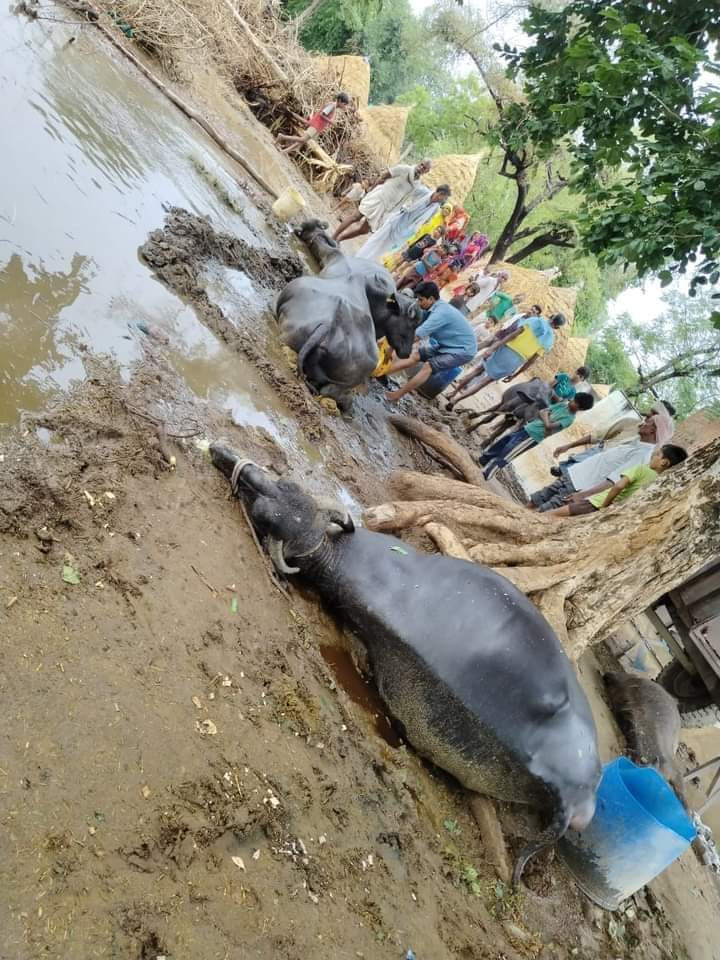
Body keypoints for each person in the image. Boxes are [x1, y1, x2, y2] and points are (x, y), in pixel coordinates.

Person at [528, 412, 672, 512]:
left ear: (654, 431)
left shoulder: (642, 455)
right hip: (575, 474)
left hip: (580, 486)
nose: (643, 422)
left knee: (544, 511)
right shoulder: (635, 442)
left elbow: (614, 481)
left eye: (648, 422)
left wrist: (584, 494)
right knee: (537, 499)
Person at [445, 312, 566, 411]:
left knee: (478, 370)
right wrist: (516, 374)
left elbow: (513, 335)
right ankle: (455, 401)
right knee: (485, 382)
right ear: (557, 327)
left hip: (506, 350)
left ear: (551, 316)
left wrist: (493, 347)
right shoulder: (549, 341)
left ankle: (453, 393)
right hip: (516, 361)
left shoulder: (534, 320)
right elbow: (532, 361)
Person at [382, 281, 477, 403]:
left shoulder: (440, 313)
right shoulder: (431, 308)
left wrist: (391, 349)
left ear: (431, 299)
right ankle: (382, 372)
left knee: (428, 366)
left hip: (463, 350)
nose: (418, 302)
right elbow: (411, 327)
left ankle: (396, 396)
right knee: (416, 356)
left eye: (421, 300)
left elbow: (415, 336)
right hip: (448, 345)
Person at [547, 444, 688, 517]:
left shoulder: (641, 469)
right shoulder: (657, 482)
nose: (653, 456)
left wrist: (604, 505)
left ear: (664, 463)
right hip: (610, 510)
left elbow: (619, 486)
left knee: (551, 515)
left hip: (597, 503)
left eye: (657, 455)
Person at [479, 392, 595, 480]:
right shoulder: (562, 405)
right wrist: (546, 419)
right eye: (573, 399)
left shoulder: (569, 419)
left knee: (508, 452)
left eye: (574, 402)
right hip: (528, 427)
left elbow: (549, 426)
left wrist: (546, 418)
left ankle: (488, 473)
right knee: (503, 442)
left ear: (580, 408)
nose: (571, 401)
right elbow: (542, 412)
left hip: (533, 437)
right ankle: (484, 459)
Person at [333, 160, 432, 243]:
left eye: (424, 168)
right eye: (421, 164)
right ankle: (334, 237)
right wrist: (372, 190)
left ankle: (340, 239)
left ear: (427, 171)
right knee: (355, 217)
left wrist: (390, 212)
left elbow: (404, 199)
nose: (421, 168)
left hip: (386, 207)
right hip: (379, 196)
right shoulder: (404, 169)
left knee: (364, 230)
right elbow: (384, 175)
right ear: (419, 163)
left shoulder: (416, 185)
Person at [357, 184, 452, 263]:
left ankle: (364, 262)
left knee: (383, 248)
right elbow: (408, 191)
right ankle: (358, 258)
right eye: (445, 197)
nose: (444, 200)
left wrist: (413, 229)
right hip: (397, 220)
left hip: (405, 230)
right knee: (376, 239)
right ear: (440, 193)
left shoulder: (435, 208)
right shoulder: (423, 192)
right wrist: (402, 206)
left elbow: (425, 220)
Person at [277, 92, 350, 155]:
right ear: (340, 101)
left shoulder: (333, 106)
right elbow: (322, 114)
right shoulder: (332, 106)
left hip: (317, 126)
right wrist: (330, 121)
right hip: (316, 125)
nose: (344, 106)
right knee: (302, 139)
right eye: (344, 104)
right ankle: (282, 137)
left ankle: (284, 151)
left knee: (302, 141)